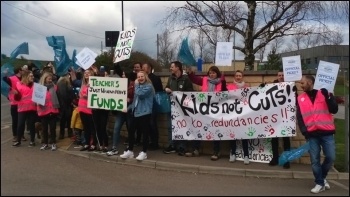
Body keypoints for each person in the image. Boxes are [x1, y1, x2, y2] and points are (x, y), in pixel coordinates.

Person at [296, 75, 338, 194]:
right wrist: (304, 131)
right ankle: (319, 183)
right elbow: (299, 117)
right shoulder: (301, 98)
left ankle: (322, 177)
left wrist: (328, 97)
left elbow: (334, 109)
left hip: (327, 132)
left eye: (303, 83)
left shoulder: (325, 93)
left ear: (310, 82)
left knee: (330, 157)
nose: (301, 85)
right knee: (315, 160)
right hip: (312, 134)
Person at [187, 65, 226, 158]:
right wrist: (190, 73)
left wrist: (223, 81)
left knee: (216, 129)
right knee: (198, 127)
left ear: (217, 74)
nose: (212, 74)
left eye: (214, 73)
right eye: (210, 73)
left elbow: (225, 92)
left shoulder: (221, 82)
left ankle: (216, 151)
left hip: (216, 110)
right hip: (204, 109)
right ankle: (196, 149)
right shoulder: (205, 80)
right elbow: (195, 80)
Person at [119, 71, 155, 161]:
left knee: (145, 133)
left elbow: (141, 95)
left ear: (145, 77)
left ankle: (144, 152)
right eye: (138, 77)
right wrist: (129, 108)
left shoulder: (148, 86)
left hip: (145, 112)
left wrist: (136, 85)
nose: (140, 78)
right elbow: (135, 100)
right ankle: (130, 151)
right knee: (131, 132)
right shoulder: (138, 86)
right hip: (136, 112)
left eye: (142, 76)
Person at [163, 61, 194, 156]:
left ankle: (182, 147)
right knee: (170, 127)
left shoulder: (186, 79)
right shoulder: (171, 78)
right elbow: (167, 87)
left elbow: (190, 92)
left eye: (172, 67)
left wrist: (179, 94)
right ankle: (172, 145)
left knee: (182, 126)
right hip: (171, 107)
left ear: (178, 68)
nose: (171, 68)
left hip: (182, 108)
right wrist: (166, 90)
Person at [268, 69, 291, 169]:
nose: (281, 77)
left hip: (286, 116)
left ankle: (286, 160)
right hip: (275, 116)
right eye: (279, 75)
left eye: (282, 75)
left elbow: (294, 99)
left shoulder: (290, 86)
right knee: (274, 138)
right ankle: (275, 158)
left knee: (286, 139)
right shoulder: (273, 86)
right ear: (277, 76)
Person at [227, 70, 250, 165]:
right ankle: (232, 153)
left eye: (240, 76)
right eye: (236, 75)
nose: (238, 77)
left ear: (242, 77)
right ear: (234, 77)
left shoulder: (247, 87)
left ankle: (246, 155)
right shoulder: (230, 87)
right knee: (233, 135)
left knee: (244, 135)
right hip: (233, 114)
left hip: (244, 114)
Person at [12, 70, 37, 147]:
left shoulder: (35, 85)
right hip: (22, 108)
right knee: (20, 124)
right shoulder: (18, 84)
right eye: (31, 76)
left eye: (33, 76)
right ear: (26, 77)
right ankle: (18, 140)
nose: (33, 77)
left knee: (32, 125)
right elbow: (17, 98)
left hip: (32, 108)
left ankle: (32, 141)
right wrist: (16, 94)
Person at [142, 62, 163, 150]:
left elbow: (159, 91)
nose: (142, 70)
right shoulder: (141, 78)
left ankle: (155, 143)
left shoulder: (155, 78)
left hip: (152, 104)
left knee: (152, 123)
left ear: (149, 68)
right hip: (144, 105)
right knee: (147, 124)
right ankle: (149, 141)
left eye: (144, 68)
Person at [37, 72, 60, 151]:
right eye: (48, 78)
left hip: (53, 110)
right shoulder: (39, 88)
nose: (50, 80)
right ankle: (45, 143)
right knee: (44, 129)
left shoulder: (54, 87)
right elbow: (37, 99)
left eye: (51, 79)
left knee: (53, 128)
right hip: (44, 111)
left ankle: (53, 143)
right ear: (45, 79)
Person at [2, 67, 25, 142]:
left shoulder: (24, 78)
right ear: (19, 71)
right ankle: (15, 135)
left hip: (22, 102)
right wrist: (5, 74)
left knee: (22, 120)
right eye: (22, 70)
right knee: (15, 120)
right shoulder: (12, 78)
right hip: (14, 102)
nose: (23, 71)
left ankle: (21, 135)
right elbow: (5, 81)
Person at [78, 68, 98, 152]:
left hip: (90, 109)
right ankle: (86, 143)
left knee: (92, 127)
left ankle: (93, 144)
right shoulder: (83, 84)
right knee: (85, 127)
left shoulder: (94, 84)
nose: (86, 74)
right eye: (85, 73)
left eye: (88, 73)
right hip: (82, 108)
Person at [92, 66, 110, 152]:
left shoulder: (109, 84)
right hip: (96, 108)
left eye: (105, 74)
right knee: (97, 127)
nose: (104, 75)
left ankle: (105, 144)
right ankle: (100, 144)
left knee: (103, 127)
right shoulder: (94, 82)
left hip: (104, 109)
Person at [56, 73, 75, 139]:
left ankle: (62, 133)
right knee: (67, 119)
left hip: (61, 104)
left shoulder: (59, 82)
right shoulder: (65, 83)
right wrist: (71, 99)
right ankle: (68, 132)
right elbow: (65, 94)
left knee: (63, 120)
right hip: (66, 104)